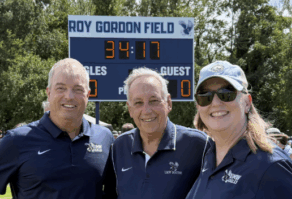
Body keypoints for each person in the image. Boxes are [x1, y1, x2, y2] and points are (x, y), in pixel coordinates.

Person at [0, 58, 115, 199]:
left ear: (88, 94)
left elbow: (113, 193)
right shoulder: (16, 140)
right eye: (61, 88)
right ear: (49, 93)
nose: (69, 96)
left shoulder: (104, 137)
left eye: (78, 89)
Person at [186, 61, 292, 199]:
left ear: (247, 103)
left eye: (226, 93)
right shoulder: (208, 158)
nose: (215, 103)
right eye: (205, 96)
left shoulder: (272, 166)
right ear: (198, 106)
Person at [107, 67, 210, 199]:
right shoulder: (119, 146)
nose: (147, 110)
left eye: (154, 100)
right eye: (138, 103)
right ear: (130, 109)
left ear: (168, 103)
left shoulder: (199, 145)